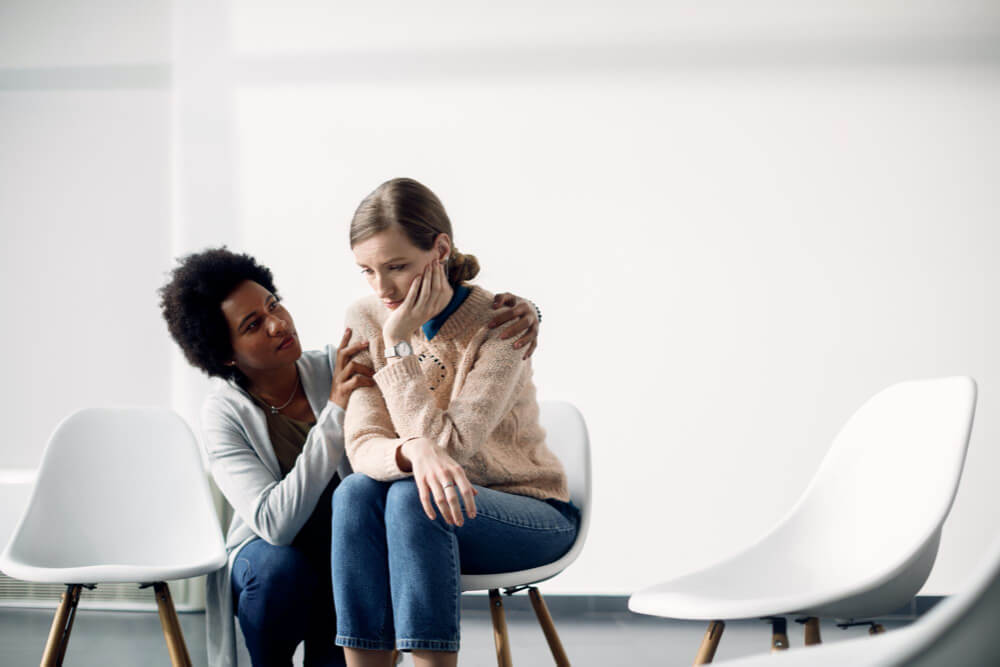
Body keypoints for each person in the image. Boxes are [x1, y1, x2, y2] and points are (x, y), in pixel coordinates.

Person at [158, 247, 541, 667]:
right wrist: (335, 412)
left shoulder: (339, 364)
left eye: (273, 305)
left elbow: (424, 351)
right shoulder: (223, 413)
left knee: (353, 542)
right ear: (226, 354)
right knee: (278, 571)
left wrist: (525, 311)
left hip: (346, 555)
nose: (277, 324)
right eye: (253, 325)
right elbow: (274, 524)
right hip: (271, 558)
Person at [334, 178, 580, 667]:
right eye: (367, 271)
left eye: (397, 267)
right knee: (355, 493)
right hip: (433, 509)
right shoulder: (365, 317)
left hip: (526, 511)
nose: (382, 288)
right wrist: (413, 451)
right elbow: (363, 443)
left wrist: (400, 342)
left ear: (439, 249)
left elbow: (453, 448)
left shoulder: (501, 323)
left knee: (411, 495)